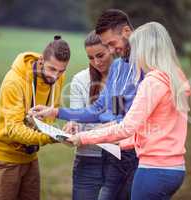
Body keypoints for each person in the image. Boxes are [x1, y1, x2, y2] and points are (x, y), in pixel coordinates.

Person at [68, 22, 191, 200]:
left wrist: (83, 137)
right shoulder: (176, 77)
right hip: (175, 169)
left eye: (136, 49)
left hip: (153, 170)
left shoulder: (152, 82)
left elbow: (126, 127)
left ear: (145, 50)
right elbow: (157, 129)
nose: (134, 56)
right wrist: (124, 143)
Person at [29, 9, 142, 200]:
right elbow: (99, 109)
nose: (111, 51)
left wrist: (116, 123)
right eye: (91, 57)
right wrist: (55, 112)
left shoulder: (138, 68)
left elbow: (134, 115)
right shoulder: (118, 67)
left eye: (109, 46)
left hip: (128, 155)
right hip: (104, 154)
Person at [0, 35, 70, 200]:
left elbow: (50, 115)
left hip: (30, 157)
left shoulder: (58, 78)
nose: (56, 77)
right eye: (52, 69)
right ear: (42, 60)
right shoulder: (14, 81)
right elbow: (14, 130)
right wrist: (52, 137)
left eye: (61, 71)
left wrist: (60, 128)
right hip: (2, 157)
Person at [62, 30, 113, 200]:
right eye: (90, 58)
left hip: (119, 161)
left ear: (112, 49)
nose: (96, 62)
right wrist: (72, 125)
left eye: (100, 55)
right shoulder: (80, 79)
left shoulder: (125, 78)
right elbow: (77, 116)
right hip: (88, 159)